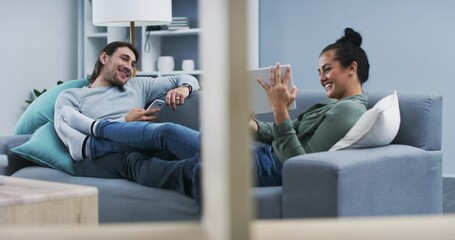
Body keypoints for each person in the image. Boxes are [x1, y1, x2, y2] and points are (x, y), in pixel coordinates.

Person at [54, 41, 201, 204]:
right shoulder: (72, 96)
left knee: (168, 152)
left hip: (136, 140)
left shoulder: (139, 85)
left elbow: (185, 78)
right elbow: (67, 132)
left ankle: (203, 173)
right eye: (124, 59)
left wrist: (184, 88)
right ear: (104, 57)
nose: (129, 68)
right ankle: (219, 160)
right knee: (137, 158)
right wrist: (124, 120)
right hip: (100, 158)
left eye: (133, 64)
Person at [248, 27, 369, 186]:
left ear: (352, 68)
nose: (322, 79)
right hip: (262, 155)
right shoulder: (333, 104)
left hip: (267, 167)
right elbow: (285, 130)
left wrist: (280, 109)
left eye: (327, 69)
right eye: (319, 72)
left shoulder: (349, 111)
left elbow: (302, 165)